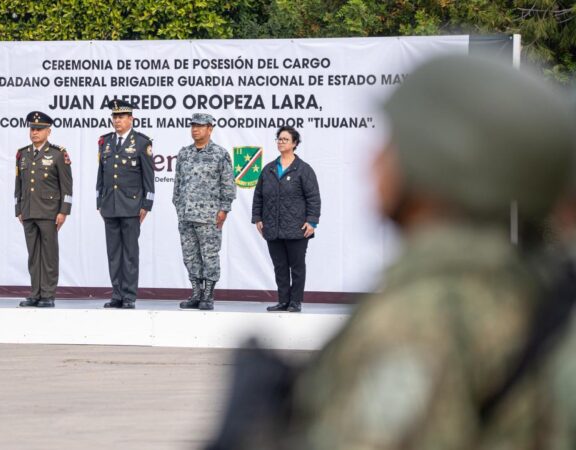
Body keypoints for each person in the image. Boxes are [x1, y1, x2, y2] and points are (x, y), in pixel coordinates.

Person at [206, 55, 576, 449]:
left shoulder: (424, 316)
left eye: (396, 145)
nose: (376, 160)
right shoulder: (531, 285)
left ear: (441, 166)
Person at [251, 126, 320, 313]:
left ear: (295, 143)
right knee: (280, 266)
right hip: (272, 227)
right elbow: (258, 196)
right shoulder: (269, 169)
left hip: (297, 228)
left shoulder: (303, 169)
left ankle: (295, 301)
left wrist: (312, 221)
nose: (281, 142)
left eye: (285, 139)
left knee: (297, 266)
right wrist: (257, 218)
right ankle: (283, 301)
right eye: (279, 139)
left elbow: (313, 198)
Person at [173, 113, 236, 311]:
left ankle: (208, 295)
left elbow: (228, 184)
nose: (195, 130)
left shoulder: (219, 154)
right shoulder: (184, 153)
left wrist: (224, 209)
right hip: (186, 215)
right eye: (193, 126)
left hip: (209, 216)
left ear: (210, 129)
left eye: (200, 126)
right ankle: (196, 293)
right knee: (190, 256)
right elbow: (178, 183)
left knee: (209, 255)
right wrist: (178, 205)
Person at [96, 99, 155, 309]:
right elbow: (101, 174)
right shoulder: (105, 142)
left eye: (121, 117)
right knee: (113, 253)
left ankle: (129, 296)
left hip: (131, 206)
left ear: (131, 119)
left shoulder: (141, 142)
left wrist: (146, 204)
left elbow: (148, 177)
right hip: (109, 205)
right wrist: (99, 201)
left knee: (129, 253)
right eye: (114, 117)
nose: (117, 120)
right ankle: (117, 294)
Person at [16, 111, 73, 308]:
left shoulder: (58, 154)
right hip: (28, 210)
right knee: (33, 255)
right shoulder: (23, 154)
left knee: (49, 255)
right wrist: (18, 208)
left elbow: (67, 185)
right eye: (32, 129)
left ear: (48, 131)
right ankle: (35, 293)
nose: (35, 132)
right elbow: (19, 183)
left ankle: (48, 294)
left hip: (49, 211)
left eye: (39, 129)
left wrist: (63, 211)